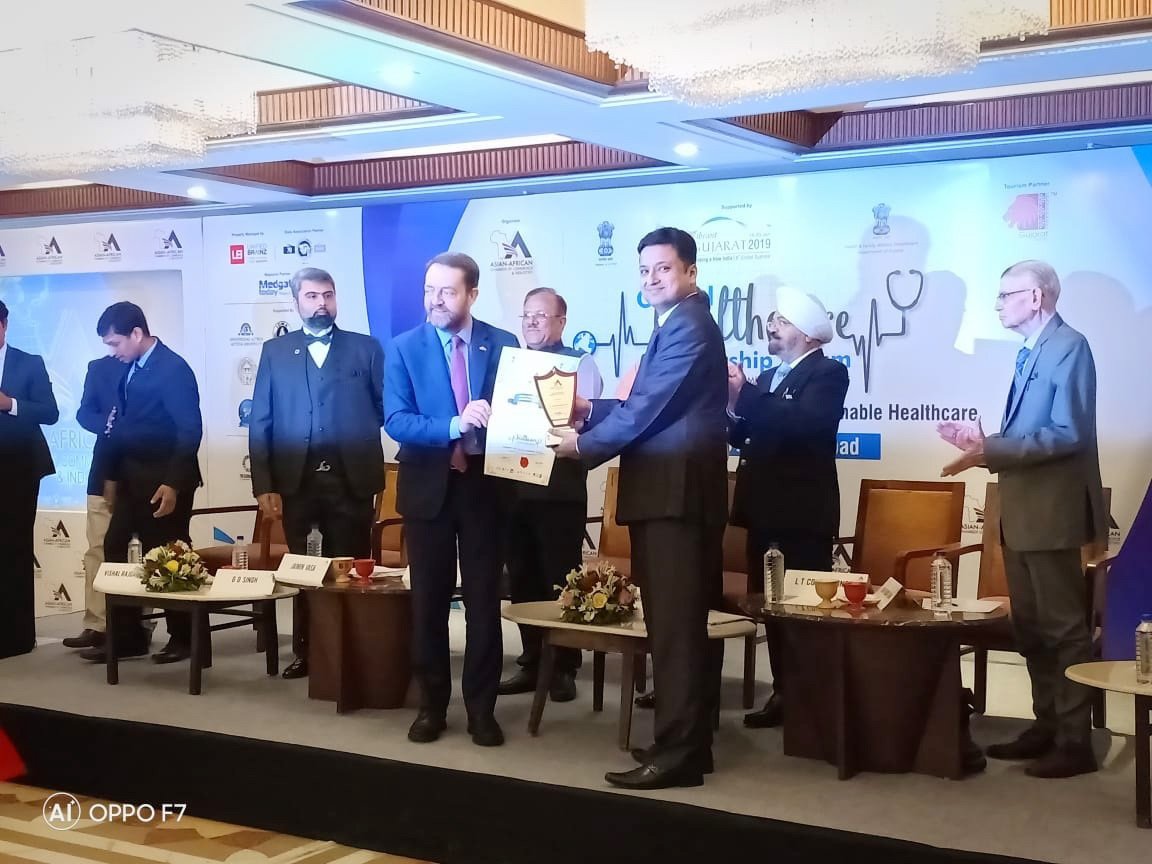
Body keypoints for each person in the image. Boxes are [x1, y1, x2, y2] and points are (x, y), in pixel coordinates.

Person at [553, 227, 729, 790]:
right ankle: (686, 745)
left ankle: (678, 756)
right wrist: (589, 409)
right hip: (666, 497)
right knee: (672, 628)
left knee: (676, 632)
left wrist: (581, 444)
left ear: (691, 272)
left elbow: (648, 409)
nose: (652, 279)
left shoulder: (690, 326)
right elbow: (645, 407)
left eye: (664, 268)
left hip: (676, 499)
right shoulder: (677, 322)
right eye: (645, 270)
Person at [939, 259, 1105, 779]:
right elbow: (1032, 435)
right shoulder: (1030, 350)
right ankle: (1046, 726)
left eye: (1005, 295)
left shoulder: (1069, 346)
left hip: (1051, 513)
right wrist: (984, 444)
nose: (998, 305)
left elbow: (1068, 433)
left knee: (1063, 629)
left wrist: (992, 450)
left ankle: (1075, 742)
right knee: (1031, 628)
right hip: (1023, 513)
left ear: (1036, 297)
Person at [385, 252, 519, 747]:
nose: (435, 301)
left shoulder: (502, 344)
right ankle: (431, 706)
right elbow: (397, 420)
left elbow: (520, 413)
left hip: (486, 488)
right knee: (429, 603)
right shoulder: (404, 348)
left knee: (484, 603)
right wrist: (452, 425)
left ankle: (482, 709)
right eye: (429, 290)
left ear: (472, 294)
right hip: (429, 488)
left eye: (447, 291)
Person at [249, 267, 386, 679]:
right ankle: (306, 651)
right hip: (296, 481)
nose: (321, 303)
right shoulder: (275, 352)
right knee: (304, 570)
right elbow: (261, 420)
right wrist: (264, 484)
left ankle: (355, 651)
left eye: (327, 295)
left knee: (352, 568)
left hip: (352, 480)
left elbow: (385, 409)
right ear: (296, 302)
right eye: (311, 296)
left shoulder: (366, 349)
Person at [728, 286, 848, 728]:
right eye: (773, 320)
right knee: (772, 610)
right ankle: (783, 692)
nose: (771, 327)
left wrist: (746, 396)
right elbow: (745, 435)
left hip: (801, 516)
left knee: (803, 614)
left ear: (808, 334)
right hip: (763, 512)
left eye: (781, 321)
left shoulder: (827, 373)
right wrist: (730, 407)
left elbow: (805, 423)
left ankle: (811, 702)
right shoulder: (765, 379)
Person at [80, 302, 202, 665]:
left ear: (136, 334)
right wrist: (111, 478)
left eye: (115, 343)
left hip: (164, 483)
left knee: (167, 557)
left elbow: (190, 430)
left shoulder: (173, 368)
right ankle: (127, 637)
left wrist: (173, 484)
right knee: (114, 546)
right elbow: (119, 429)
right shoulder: (128, 368)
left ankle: (185, 637)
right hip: (131, 480)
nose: (112, 351)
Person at [498, 287, 604, 703]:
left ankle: (563, 666)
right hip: (513, 486)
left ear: (562, 322)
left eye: (542, 315)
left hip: (559, 490)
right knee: (522, 578)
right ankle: (531, 659)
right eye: (527, 315)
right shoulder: (511, 364)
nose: (532, 321)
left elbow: (587, 426)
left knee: (560, 580)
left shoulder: (579, 364)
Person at [0, 299, 59, 658]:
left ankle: (17, 638)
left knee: (14, 548)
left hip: (19, 469)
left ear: (4, 325)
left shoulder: (29, 362)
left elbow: (50, 412)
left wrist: (10, 404)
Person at [62, 355, 124, 650]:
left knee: (139, 553)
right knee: (97, 549)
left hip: (143, 473)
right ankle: (97, 624)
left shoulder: (157, 367)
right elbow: (84, 412)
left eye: (115, 340)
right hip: (102, 471)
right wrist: (107, 423)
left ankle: (138, 626)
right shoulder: (98, 368)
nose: (113, 347)